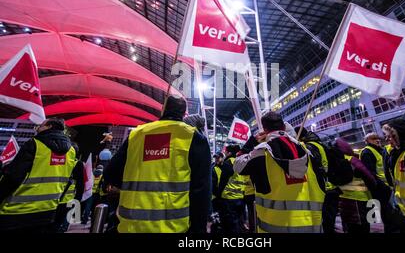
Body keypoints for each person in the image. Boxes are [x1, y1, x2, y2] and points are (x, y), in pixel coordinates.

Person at [103, 95, 211, 233]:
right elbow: (201, 190)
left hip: (130, 225)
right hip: (172, 227)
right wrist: (198, 229)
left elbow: (110, 173)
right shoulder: (193, 137)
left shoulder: (136, 134)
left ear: (162, 109)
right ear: (185, 113)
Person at [234, 112, 325, 233]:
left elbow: (237, 165)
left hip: (274, 227)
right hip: (311, 226)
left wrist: (252, 142)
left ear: (265, 130)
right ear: (283, 127)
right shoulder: (307, 151)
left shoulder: (260, 153)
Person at [0, 118, 78, 232]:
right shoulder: (71, 151)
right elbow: (67, 180)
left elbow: (13, 177)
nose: (38, 129)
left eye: (40, 126)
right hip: (49, 209)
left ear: (49, 126)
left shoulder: (34, 144)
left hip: (17, 210)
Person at [297, 127, 340, 234]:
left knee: (325, 225)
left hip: (323, 190)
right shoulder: (319, 144)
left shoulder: (308, 147)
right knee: (329, 224)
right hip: (332, 187)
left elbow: (317, 169)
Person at [334, 138, 376, 234]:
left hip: (344, 199)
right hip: (360, 199)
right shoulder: (352, 160)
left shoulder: (334, 161)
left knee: (349, 226)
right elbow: (369, 176)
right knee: (364, 226)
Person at [360, 132, 397, 233]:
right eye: (373, 139)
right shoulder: (367, 152)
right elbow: (369, 173)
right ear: (367, 141)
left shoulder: (381, 150)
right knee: (388, 216)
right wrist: (383, 186)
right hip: (381, 189)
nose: (377, 140)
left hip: (389, 187)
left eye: (378, 138)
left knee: (392, 215)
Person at [217, 144, 246, 233]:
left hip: (229, 199)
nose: (224, 153)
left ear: (229, 153)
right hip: (240, 197)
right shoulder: (240, 162)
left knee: (230, 225)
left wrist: (218, 194)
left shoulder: (228, 163)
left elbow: (223, 181)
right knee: (237, 222)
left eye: (225, 151)